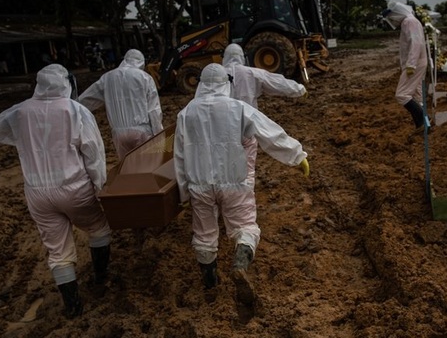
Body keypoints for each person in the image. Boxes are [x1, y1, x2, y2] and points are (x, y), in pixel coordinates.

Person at [0, 64, 111, 319]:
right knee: (98, 228)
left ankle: (73, 307)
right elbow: (93, 153)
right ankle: (101, 276)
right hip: (74, 187)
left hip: (37, 192)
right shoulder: (75, 110)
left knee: (58, 251)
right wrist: (99, 185)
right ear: (66, 83)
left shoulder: (20, 111)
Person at [173, 63, 310, 305]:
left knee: (204, 235)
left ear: (202, 84)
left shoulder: (186, 113)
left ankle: (210, 284)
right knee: (246, 225)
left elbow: (180, 157)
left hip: (200, 185)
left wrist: (184, 194)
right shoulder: (237, 108)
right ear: (225, 83)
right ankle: (239, 264)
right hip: (234, 181)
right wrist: (297, 155)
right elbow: (269, 132)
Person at [222, 43, 307, 188]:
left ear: (224, 57)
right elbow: (278, 83)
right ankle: (242, 190)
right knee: (247, 161)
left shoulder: (214, 77)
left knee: (223, 160)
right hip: (248, 124)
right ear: (242, 57)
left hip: (221, 127)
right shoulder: (253, 73)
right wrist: (299, 89)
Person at [79, 49, 163, 161]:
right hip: (142, 131)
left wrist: (71, 108)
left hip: (118, 133)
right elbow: (154, 110)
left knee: (127, 169)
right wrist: (159, 136)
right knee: (147, 166)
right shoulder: (144, 77)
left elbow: (87, 99)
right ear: (141, 62)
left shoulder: (107, 77)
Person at [381, 1, 428, 130]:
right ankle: (423, 127)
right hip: (417, 62)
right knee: (417, 95)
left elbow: (416, 43)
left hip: (415, 64)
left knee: (402, 95)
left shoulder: (409, 22)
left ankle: (423, 123)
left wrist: (411, 65)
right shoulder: (409, 21)